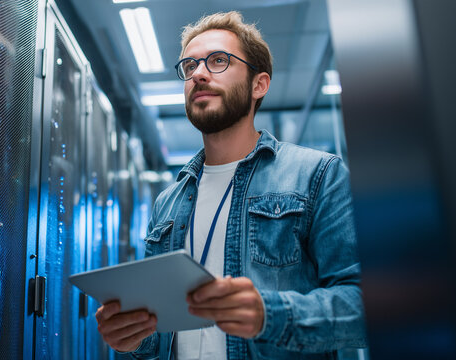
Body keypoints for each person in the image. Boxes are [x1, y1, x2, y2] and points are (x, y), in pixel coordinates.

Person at [95, 11, 367, 359]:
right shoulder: (169, 201)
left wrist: (270, 315)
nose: (199, 74)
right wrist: (132, 338)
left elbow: (361, 304)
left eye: (218, 61)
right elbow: (161, 332)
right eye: (189, 66)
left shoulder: (317, 175)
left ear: (259, 85)